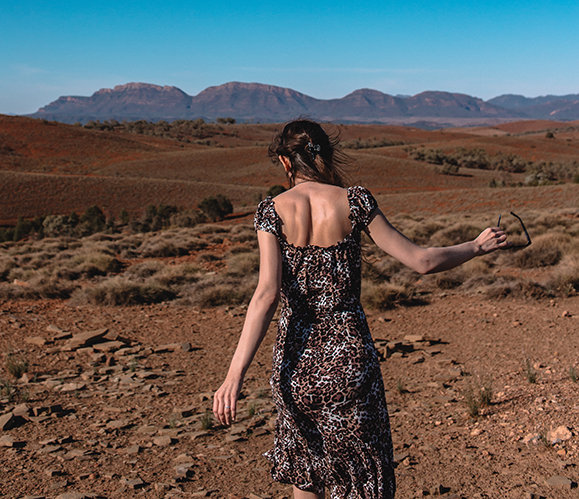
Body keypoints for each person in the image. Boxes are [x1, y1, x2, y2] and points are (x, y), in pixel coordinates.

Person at [213, 119, 508, 499]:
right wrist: (476, 246)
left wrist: (233, 376)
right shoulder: (355, 201)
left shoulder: (270, 211)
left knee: (307, 471)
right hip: (350, 365)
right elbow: (422, 261)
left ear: (286, 162)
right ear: (326, 154)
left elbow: (266, 295)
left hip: (296, 368)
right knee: (362, 475)